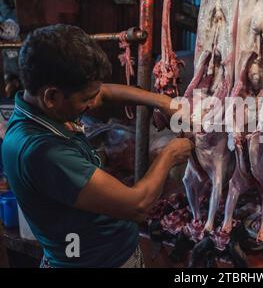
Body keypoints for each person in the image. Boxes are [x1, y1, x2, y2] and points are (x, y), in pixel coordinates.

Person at [1, 24, 193, 268]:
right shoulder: (43, 151)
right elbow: (137, 205)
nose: (94, 102)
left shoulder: (39, 110)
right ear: (51, 96)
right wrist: (169, 154)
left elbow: (103, 93)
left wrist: (163, 102)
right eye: (85, 99)